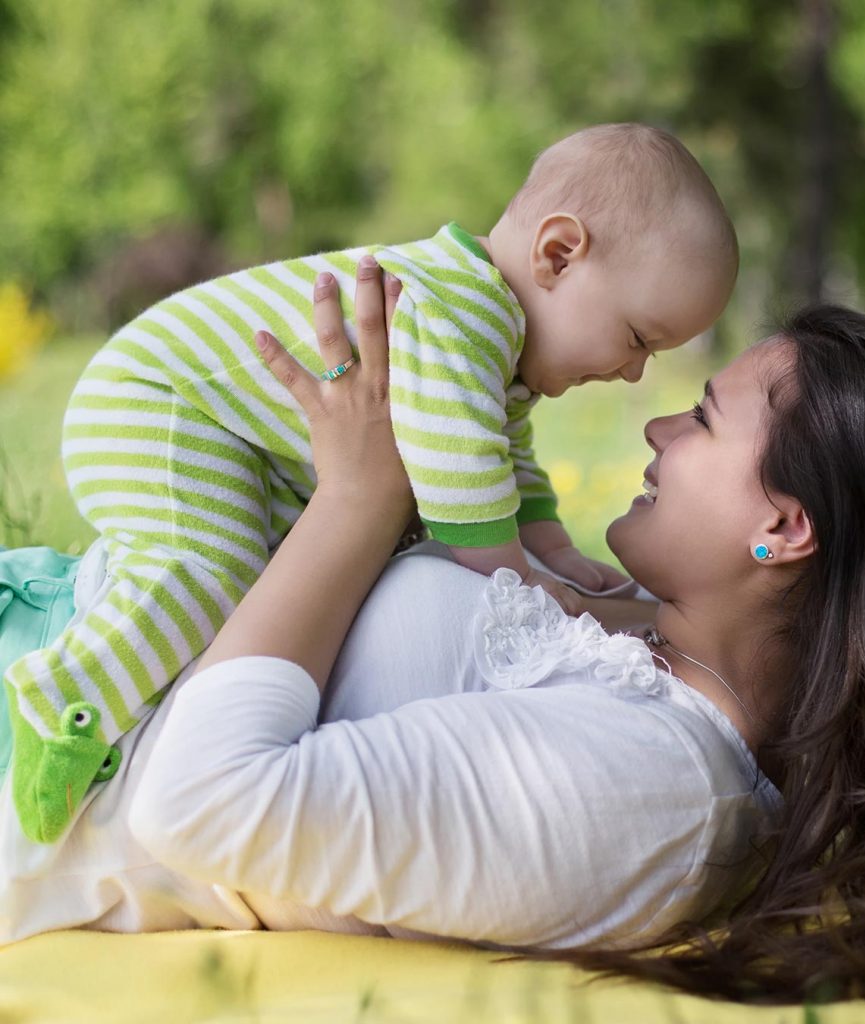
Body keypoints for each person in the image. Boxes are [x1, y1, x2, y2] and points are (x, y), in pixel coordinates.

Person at [5, 265, 865, 1003]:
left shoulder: (657, 791)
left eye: (705, 417)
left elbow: (199, 801)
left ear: (787, 528)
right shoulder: (651, 642)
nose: (660, 424)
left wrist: (358, 498)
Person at [3, 123, 739, 844]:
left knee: (251, 578)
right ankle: (70, 697)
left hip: (216, 424)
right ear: (558, 254)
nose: (636, 372)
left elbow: (502, 454)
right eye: (639, 337)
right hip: (161, 404)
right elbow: (462, 481)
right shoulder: (461, 313)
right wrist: (522, 583)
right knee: (212, 566)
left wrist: (549, 544)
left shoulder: (495, 339)